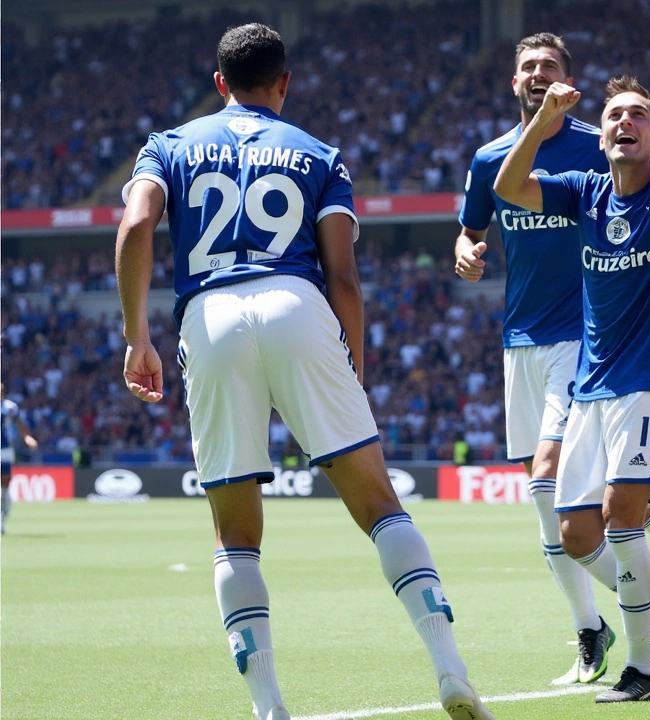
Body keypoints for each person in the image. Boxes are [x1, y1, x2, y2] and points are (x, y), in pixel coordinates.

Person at [116, 24, 492, 720]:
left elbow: (137, 227)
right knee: (380, 506)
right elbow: (343, 275)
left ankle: (269, 708)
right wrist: (349, 357)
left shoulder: (167, 145)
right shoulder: (321, 153)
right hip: (298, 302)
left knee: (235, 535)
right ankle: (450, 667)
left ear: (219, 83)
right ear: (284, 82)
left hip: (210, 315)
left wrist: (138, 336)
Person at [456, 33, 650, 686]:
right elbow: (494, 199)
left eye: (639, 114)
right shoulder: (574, 184)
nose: (627, 123)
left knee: (618, 513)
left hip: (624, 368)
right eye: (526, 66)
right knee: (574, 524)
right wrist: (467, 246)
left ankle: (637, 658)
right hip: (559, 365)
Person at [1, 382, 39, 535]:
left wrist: (27, 437)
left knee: (4, 488)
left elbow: (20, 424)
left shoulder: (10, 407)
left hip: (4, 450)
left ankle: (3, 519)